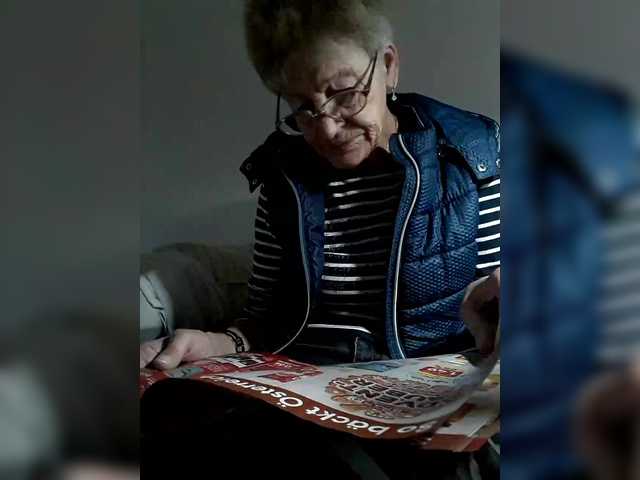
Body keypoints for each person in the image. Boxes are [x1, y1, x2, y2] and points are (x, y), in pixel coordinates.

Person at [140, 0, 501, 373]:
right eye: (303, 108)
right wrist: (214, 342)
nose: (327, 129)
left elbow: (493, 303)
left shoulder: (469, 158)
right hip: (306, 383)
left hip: (428, 384)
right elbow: (264, 320)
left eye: (345, 94)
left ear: (389, 66)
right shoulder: (282, 178)